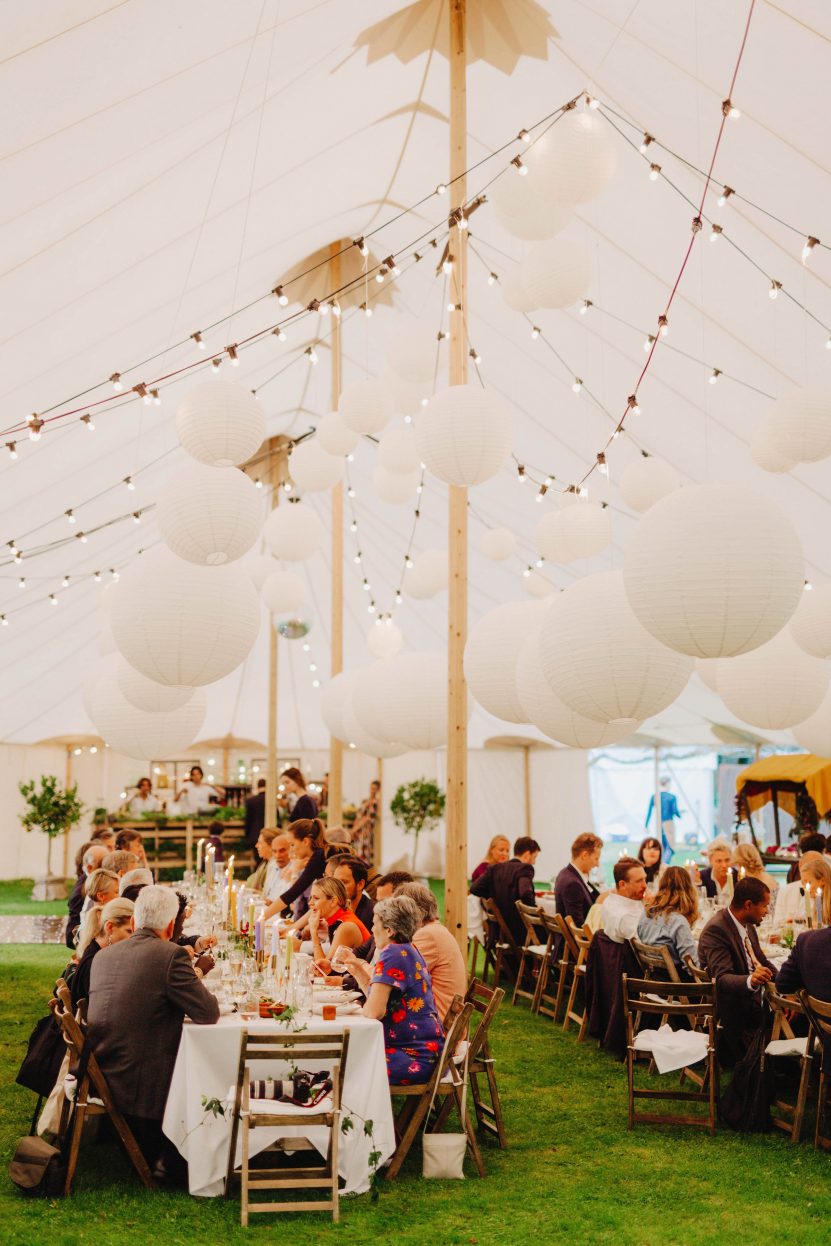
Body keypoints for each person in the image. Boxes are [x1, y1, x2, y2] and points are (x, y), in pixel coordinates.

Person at [86, 885, 220, 1180]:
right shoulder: (170, 955)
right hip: (138, 1078)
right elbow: (208, 1014)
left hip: (101, 1064)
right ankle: (182, 1155)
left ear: (134, 922)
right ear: (171, 925)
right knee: (210, 1063)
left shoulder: (104, 955)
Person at [361, 895, 444, 1084]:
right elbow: (376, 997)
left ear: (389, 930)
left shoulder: (392, 953)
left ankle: (361, 1113)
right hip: (427, 1051)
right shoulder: (408, 948)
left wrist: (362, 1010)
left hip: (414, 1057)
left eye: (375, 924)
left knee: (350, 1063)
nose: (372, 929)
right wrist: (355, 968)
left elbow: (374, 1011)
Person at [698, 877, 775, 1064]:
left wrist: (785, 987)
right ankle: (779, 1068)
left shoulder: (746, 923)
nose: (767, 912)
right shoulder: (717, 930)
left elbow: (762, 961)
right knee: (800, 1018)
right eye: (765, 906)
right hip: (737, 1008)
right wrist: (751, 980)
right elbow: (722, 979)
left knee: (796, 1009)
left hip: (756, 999)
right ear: (748, 905)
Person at [395, 881, 467, 1026]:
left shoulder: (427, 935)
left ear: (413, 911)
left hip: (436, 1024)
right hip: (441, 1016)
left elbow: (398, 977)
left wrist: (360, 966)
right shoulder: (434, 930)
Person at [470, 836, 541, 947]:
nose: (534, 862)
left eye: (507, 850)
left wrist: (493, 896)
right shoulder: (525, 868)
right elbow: (525, 894)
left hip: (497, 932)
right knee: (556, 935)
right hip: (518, 934)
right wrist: (537, 914)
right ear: (527, 854)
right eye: (534, 857)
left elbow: (474, 888)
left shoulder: (494, 869)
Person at [70, 897, 134, 1009]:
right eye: (129, 931)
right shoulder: (95, 964)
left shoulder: (96, 951)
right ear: (110, 927)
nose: (134, 938)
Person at [260, 818, 328, 922]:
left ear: (305, 841)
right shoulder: (318, 855)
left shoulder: (318, 857)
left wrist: (260, 919)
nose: (291, 850)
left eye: (292, 844)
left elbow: (292, 893)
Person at [636, 866, 699, 972]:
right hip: (677, 984)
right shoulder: (678, 921)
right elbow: (692, 967)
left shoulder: (646, 913)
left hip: (653, 978)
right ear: (689, 889)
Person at [308, 877, 371, 973]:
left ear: (333, 901)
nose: (310, 903)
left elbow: (323, 971)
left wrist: (313, 932)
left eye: (316, 898)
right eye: (311, 898)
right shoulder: (338, 920)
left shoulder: (346, 926)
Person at [555, 832, 604, 929]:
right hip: (573, 943)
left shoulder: (566, 873)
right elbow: (578, 926)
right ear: (585, 855)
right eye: (596, 859)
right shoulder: (572, 884)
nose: (597, 864)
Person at [594, 857, 648, 943]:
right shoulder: (625, 917)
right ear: (622, 884)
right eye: (639, 881)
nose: (645, 886)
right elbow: (651, 942)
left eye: (644, 879)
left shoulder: (609, 900)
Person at [66, 842, 109, 948]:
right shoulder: (81, 892)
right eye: (104, 864)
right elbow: (70, 937)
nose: (109, 868)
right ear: (90, 868)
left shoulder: (96, 883)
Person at [774, 851, 831, 926]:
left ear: (823, 880)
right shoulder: (814, 901)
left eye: (809, 882)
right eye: (803, 883)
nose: (805, 888)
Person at [645, 776, 681, 855]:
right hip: (668, 823)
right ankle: (665, 864)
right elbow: (675, 811)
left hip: (659, 824)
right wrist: (680, 814)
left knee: (662, 845)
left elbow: (649, 812)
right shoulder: (671, 797)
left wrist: (646, 825)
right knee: (670, 846)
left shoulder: (654, 796)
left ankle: (662, 864)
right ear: (667, 784)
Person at [351, 779, 380, 863]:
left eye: (374, 788)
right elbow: (359, 815)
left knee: (363, 853)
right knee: (357, 851)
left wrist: (354, 829)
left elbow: (368, 818)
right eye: (371, 788)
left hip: (365, 830)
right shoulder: (366, 800)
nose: (372, 790)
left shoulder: (374, 802)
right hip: (359, 829)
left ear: (378, 790)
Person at [244, 779, 268, 865]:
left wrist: (247, 836)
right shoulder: (271, 800)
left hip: (254, 835)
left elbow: (248, 820)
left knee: (258, 862)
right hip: (270, 835)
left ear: (257, 787)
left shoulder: (251, 801)